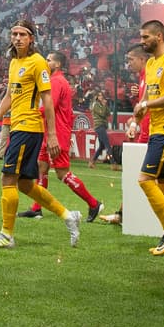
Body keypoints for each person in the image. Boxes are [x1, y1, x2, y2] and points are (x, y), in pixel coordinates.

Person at [0, 19, 81, 249]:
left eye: (23, 34)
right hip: (19, 127)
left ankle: (6, 235)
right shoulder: (15, 62)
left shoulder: (38, 62)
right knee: (24, 184)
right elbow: (9, 96)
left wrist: (51, 135)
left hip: (29, 127)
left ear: (31, 38)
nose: (17, 38)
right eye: (14, 34)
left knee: (7, 178)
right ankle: (67, 215)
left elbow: (47, 100)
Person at [19, 51, 102, 222]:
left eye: (48, 60)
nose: (45, 62)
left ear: (57, 65)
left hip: (56, 133)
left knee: (62, 173)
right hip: (47, 131)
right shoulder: (53, 80)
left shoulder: (56, 81)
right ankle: (37, 208)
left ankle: (94, 203)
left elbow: (48, 107)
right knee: (42, 166)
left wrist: (28, 111)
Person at [132, 21, 164, 255]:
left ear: (159, 36)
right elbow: (147, 96)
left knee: (145, 179)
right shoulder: (150, 63)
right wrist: (135, 122)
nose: (143, 41)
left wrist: (146, 103)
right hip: (155, 129)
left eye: (146, 37)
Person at [87, 87, 112, 167]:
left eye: (102, 96)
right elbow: (102, 114)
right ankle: (113, 163)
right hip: (99, 126)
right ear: (97, 97)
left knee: (102, 146)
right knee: (107, 144)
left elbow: (108, 114)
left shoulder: (102, 104)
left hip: (102, 126)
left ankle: (92, 162)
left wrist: (105, 105)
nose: (101, 97)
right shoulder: (95, 104)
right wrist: (104, 106)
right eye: (100, 96)